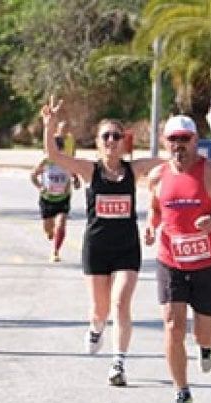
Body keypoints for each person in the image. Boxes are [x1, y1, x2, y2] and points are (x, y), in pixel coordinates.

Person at [40, 97, 166, 387]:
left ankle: (118, 362)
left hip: (126, 249)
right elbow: (55, 156)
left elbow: (169, 162)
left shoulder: (133, 170)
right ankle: (96, 328)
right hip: (96, 248)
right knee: (100, 310)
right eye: (106, 136)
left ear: (124, 142)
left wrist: (172, 140)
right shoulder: (89, 170)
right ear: (97, 142)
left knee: (121, 303)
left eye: (116, 136)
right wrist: (49, 126)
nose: (111, 140)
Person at [143, 115, 211, 403]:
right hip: (170, 260)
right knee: (172, 325)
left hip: (208, 262)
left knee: (203, 333)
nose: (178, 146)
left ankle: (209, 343)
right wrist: (150, 225)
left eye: (184, 139)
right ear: (165, 142)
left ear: (195, 141)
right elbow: (155, 208)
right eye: (173, 140)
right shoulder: (158, 176)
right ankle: (181, 393)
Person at [30, 134, 80, 262]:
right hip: (47, 198)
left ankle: (55, 251)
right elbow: (33, 176)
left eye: (61, 150)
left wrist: (76, 181)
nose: (59, 154)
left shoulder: (67, 162)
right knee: (48, 228)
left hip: (63, 198)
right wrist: (40, 187)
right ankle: (50, 232)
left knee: (61, 224)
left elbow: (74, 175)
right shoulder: (45, 162)